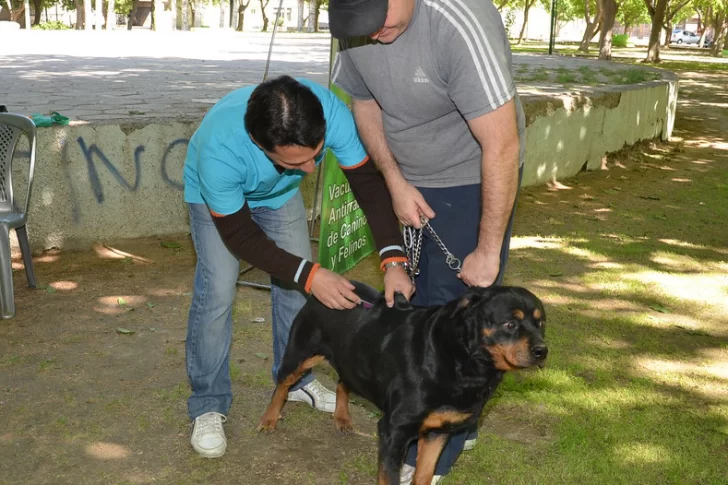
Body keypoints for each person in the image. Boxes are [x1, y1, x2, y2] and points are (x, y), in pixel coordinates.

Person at [328, 0, 527, 482]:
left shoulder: (458, 22)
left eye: (381, 23)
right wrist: (394, 180)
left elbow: (501, 145)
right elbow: (365, 103)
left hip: (469, 174)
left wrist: (487, 248)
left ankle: (435, 450)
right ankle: (436, 409)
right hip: (410, 176)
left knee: (454, 308)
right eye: (361, 29)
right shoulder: (357, 23)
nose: (373, 36)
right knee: (412, 313)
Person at [182, 74, 414, 458]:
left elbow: (368, 187)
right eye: (296, 161)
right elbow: (241, 236)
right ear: (259, 143)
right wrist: (309, 273)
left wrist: (393, 257)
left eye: (315, 154)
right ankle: (208, 403)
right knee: (219, 290)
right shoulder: (218, 150)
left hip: (280, 196)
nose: (310, 169)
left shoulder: (329, 113)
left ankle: (298, 379)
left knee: (296, 292)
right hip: (217, 204)